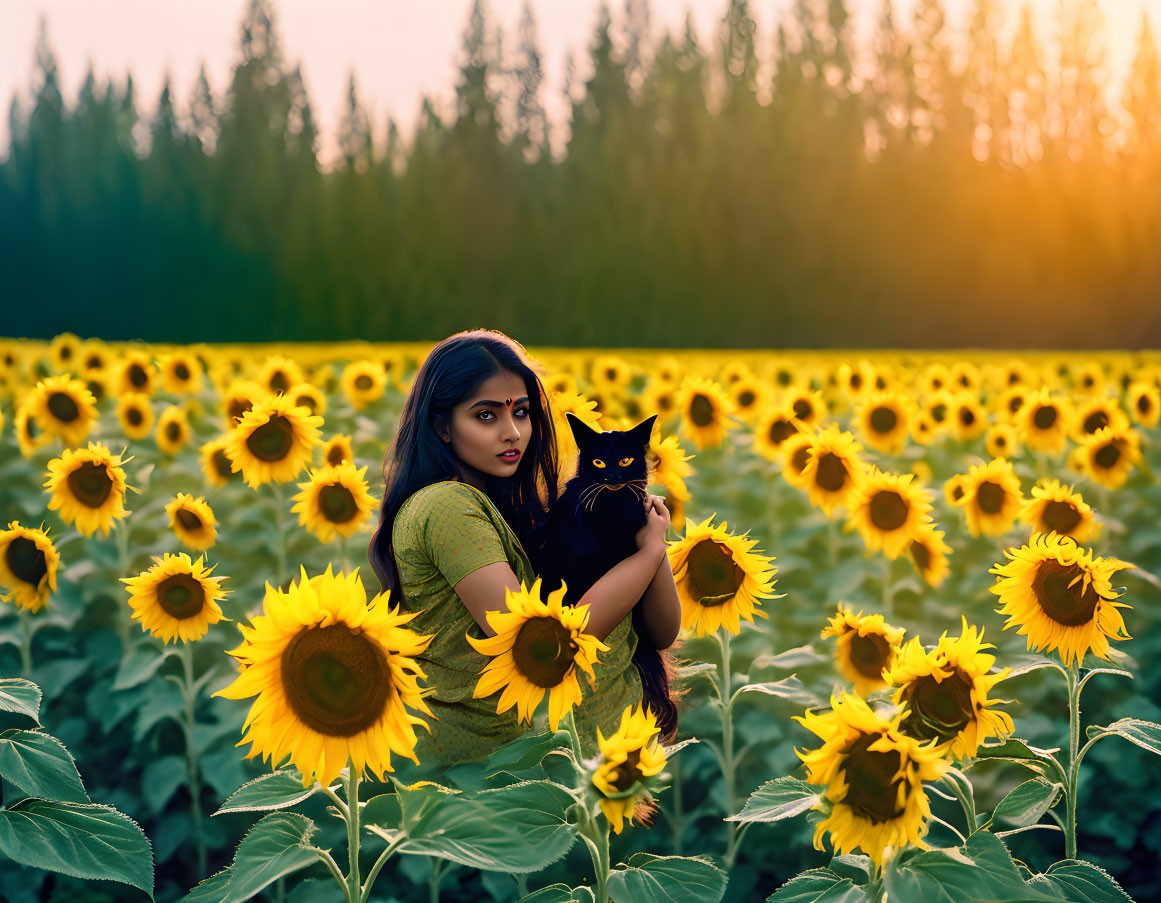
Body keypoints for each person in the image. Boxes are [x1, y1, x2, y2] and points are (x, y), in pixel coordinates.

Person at [367, 328, 681, 765]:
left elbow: (663, 632)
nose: (512, 432)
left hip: (531, 773)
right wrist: (648, 553)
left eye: (522, 412)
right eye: (485, 416)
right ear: (441, 427)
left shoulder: (508, 505)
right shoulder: (447, 508)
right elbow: (545, 651)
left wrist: (648, 542)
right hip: (481, 784)